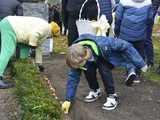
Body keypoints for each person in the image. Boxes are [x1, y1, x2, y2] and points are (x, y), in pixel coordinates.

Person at [62, 34, 148, 114]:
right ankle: (95, 90)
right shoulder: (75, 55)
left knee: (104, 70)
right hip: (89, 59)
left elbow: (126, 46)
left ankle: (112, 96)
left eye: (77, 65)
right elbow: (73, 78)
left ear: (84, 56)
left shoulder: (105, 44)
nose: (76, 68)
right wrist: (68, 99)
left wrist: (140, 63)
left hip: (103, 56)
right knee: (87, 69)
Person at [0, 16, 60, 89]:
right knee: (7, 51)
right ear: (52, 33)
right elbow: (34, 35)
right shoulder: (46, 28)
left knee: (24, 51)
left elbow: (39, 47)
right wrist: (32, 47)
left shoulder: (45, 28)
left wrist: (39, 64)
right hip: (10, 26)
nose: (50, 38)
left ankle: (17, 71)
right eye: (52, 36)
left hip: (11, 25)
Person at [114, 0, 153, 82]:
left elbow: (118, 18)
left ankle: (130, 72)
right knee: (139, 53)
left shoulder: (124, 1)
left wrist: (116, 31)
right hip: (141, 33)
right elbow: (150, 18)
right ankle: (137, 75)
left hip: (125, 34)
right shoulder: (148, 2)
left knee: (127, 52)